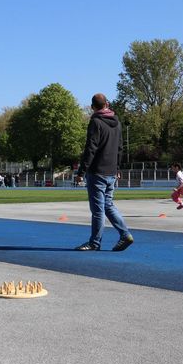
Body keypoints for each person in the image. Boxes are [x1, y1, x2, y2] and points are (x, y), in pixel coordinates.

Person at [75, 93, 133, 251]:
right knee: (108, 205)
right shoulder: (117, 122)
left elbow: (91, 148)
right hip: (111, 171)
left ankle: (95, 242)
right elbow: (120, 148)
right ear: (107, 104)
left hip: (97, 171)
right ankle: (125, 234)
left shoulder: (96, 121)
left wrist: (81, 172)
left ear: (92, 107)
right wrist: (117, 168)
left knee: (98, 210)